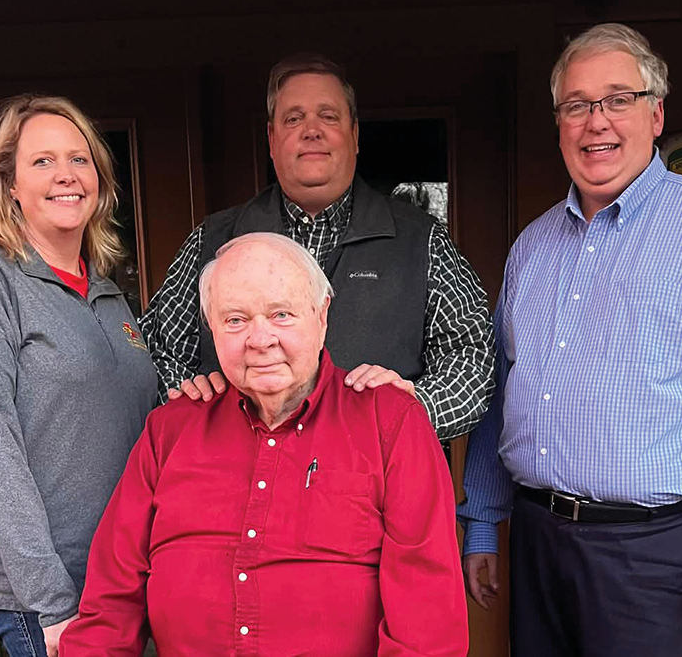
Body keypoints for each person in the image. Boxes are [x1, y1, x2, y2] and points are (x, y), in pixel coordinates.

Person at [457, 23, 682, 657]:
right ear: (559, 122)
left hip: (657, 558)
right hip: (538, 543)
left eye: (618, 99)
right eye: (577, 105)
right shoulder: (532, 249)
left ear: (656, 113)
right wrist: (484, 521)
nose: (598, 122)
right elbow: (501, 389)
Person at [61, 233, 468, 656]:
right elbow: (108, 610)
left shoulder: (389, 421)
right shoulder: (171, 430)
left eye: (281, 315)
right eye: (235, 320)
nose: (260, 340)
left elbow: (426, 623)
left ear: (322, 315)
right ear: (212, 328)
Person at [139, 53, 493, 440]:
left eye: (328, 116)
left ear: (355, 136)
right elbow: (156, 352)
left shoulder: (421, 241)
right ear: (272, 140)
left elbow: (472, 358)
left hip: (375, 487)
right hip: (239, 482)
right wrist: (188, 398)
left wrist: (408, 412)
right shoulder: (214, 239)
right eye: (294, 118)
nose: (312, 131)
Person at [0, 95, 159, 657]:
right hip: (52, 590)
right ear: (8, 182)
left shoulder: (105, 290)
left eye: (80, 160)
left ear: (99, 179)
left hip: (127, 574)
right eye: (42, 162)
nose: (66, 176)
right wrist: (51, 601)